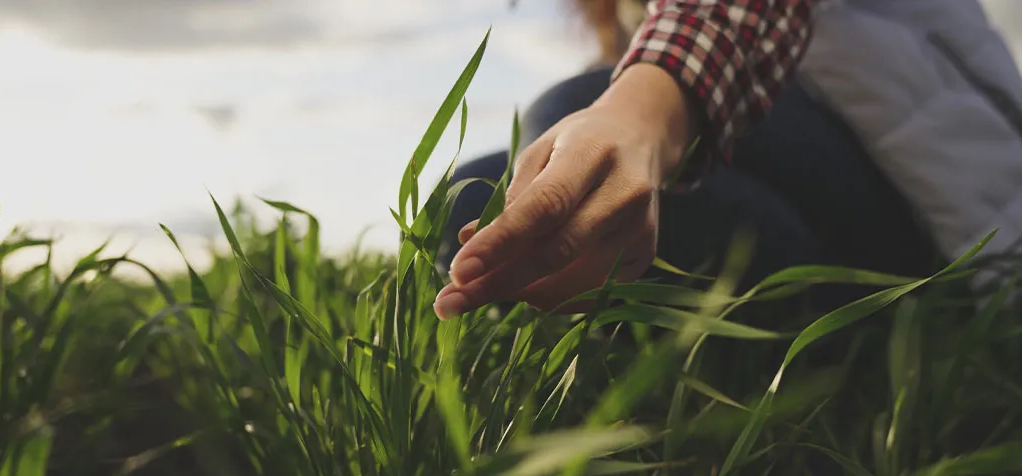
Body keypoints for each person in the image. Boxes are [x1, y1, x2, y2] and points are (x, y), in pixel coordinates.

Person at [434, 0, 1022, 320]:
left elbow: (742, 12)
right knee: (471, 198)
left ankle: (837, 344)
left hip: (938, 215)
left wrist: (637, 115)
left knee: (573, 108)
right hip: (801, 185)